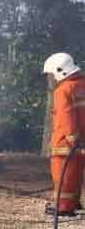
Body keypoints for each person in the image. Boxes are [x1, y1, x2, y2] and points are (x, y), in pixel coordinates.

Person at [43, 53, 85, 216]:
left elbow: (66, 116)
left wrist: (72, 139)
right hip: (81, 140)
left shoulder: (63, 90)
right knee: (76, 174)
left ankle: (64, 207)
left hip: (65, 143)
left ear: (61, 71)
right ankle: (74, 203)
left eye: (52, 74)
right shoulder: (82, 85)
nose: (52, 78)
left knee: (63, 174)